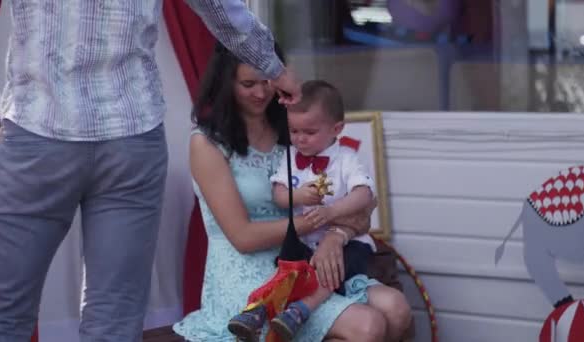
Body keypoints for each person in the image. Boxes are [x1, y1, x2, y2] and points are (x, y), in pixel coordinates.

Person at [0, 1, 301, 341]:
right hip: (131, 136)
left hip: (40, 132)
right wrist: (272, 66)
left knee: (2, 309)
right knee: (115, 317)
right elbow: (218, 7)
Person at [173, 43, 412, 341]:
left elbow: (362, 212)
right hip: (247, 273)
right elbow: (243, 238)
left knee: (397, 308)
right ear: (226, 83)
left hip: (308, 258)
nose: (261, 93)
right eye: (248, 84)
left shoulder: (297, 130)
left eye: (267, 81)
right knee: (367, 325)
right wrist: (316, 222)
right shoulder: (207, 143)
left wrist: (336, 237)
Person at [228, 80, 392, 341]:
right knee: (288, 268)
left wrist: (332, 212)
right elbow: (279, 194)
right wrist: (297, 195)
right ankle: (258, 310)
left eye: (309, 132)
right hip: (306, 241)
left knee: (330, 269)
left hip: (349, 245)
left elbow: (364, 194)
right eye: (294, 131)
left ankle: (302, 310)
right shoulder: (290, 156)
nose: (300, 138)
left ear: (336, 128)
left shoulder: (346, 158)